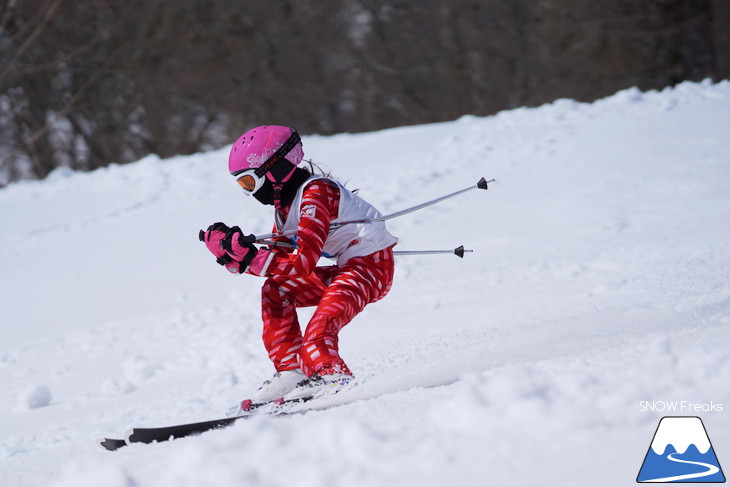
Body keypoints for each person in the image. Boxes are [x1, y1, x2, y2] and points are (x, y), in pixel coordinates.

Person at [200, 125, 398, 403]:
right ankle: (292, 370)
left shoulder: (316, 193)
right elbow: (279, 262)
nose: (250, 193)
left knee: (318, 333)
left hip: (370, 268)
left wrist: (249, 259)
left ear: (275, 170)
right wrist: (234, 255)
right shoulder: (286, 208)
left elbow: (302, 263)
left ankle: (333, 376)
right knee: (276, 289)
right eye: (242, 185)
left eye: (249, 183)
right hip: (347, 269)